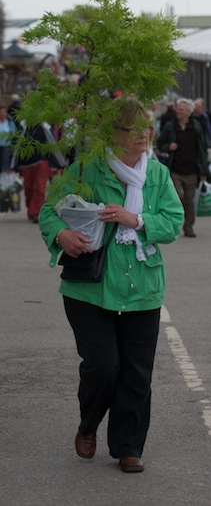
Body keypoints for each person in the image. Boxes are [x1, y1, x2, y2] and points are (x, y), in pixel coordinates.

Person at [38, 96, 184, 473]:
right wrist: (61, 236)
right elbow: (48, 210)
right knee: (103, 366)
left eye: (147, 128)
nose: (143, 135)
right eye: (134, 129)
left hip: (142, 286)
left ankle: (128, 447)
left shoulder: (157, 176)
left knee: (137, 371)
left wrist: (135, 220)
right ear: (113, 134)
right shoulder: (87, 170)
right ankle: (88, 424)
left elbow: (173, 221)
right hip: (90, 285)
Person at [157, 98, 209, 238]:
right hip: (175, 169)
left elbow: (202, 149)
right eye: (177, 109)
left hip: (192, 170)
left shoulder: (196, 126)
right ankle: (175, 224)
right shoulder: (170, 126)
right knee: (177, 197)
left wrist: (203, 171)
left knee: (189, 200)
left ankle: (189, 227)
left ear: (188, 112)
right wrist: (169, 147)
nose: (178, 112)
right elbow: (160, 143)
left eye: (181, 109)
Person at [0, 103, 17, 173]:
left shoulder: (10, 122)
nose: (2, 113)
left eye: (4, 112)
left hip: (6, 145)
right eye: (1, 112)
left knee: (5, 162)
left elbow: (14, 133)